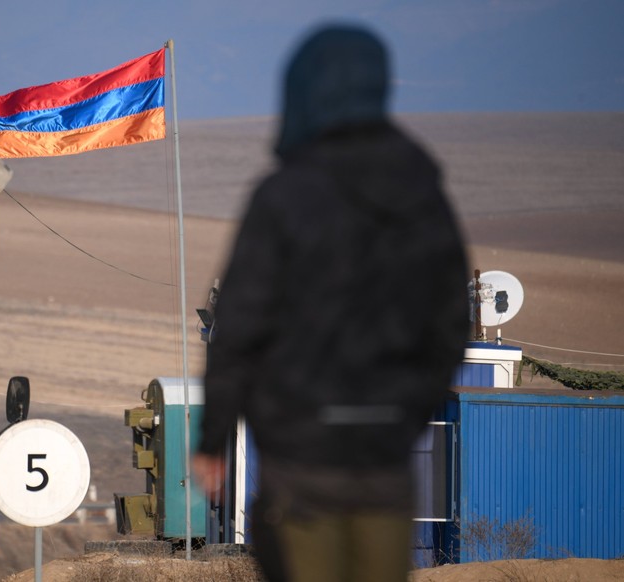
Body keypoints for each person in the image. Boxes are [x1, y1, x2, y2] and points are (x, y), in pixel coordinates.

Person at [193, 24, 468, 582]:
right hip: (384, 460)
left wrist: (213, 439)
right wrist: (406, 410)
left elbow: (239, 326)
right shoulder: (421, 193)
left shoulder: (283, 196)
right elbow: (450, 322)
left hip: (301, 460)